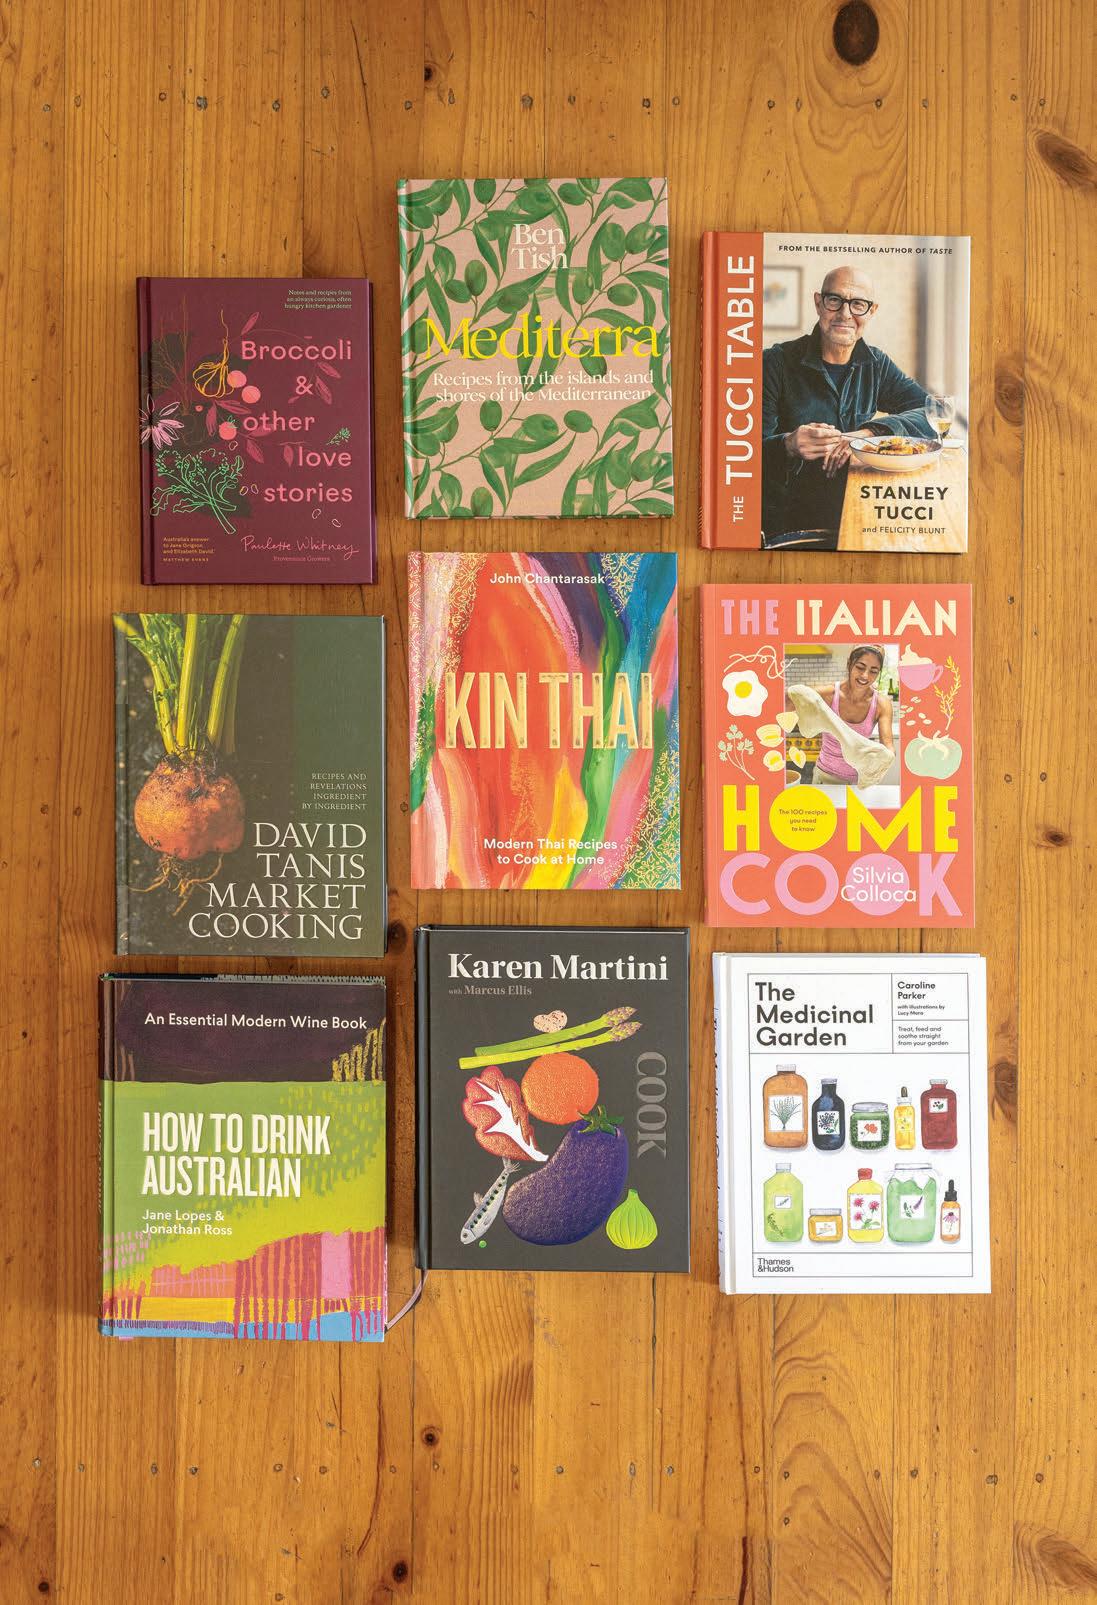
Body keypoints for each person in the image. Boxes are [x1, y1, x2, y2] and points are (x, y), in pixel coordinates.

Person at [761, 265, 935, 548]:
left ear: (872, 311)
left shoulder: (877, 365)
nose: (845, 314)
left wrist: (868, 435)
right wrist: (788, 445)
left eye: (858, 304)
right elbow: (740, 455)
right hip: (787, 527)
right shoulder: (774, 362)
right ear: (819, 303)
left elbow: (932, 414)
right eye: (835, 300)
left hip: (857, 515)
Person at [809, 646, 894, 787]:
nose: (865, 676)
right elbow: (793, 699)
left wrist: (885, 759)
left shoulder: (881, 704)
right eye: (860, 667)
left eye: (873, 671)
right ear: (849, 663)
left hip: (859, 781)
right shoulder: (829, 694)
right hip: (825, 777)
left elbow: (888, 746)